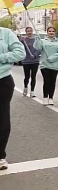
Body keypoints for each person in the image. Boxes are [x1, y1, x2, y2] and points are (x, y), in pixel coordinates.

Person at [0, 27, 25, 170]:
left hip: (2, 81)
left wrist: (2, 57)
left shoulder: (6, 33)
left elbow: (20, 53)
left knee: (2, 119)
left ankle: (0, 156)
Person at [34, 27, 58, 106]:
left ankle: (51, 98)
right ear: (47, 32)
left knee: (52, 81)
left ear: (55, 32)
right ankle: (45, 97)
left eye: (53, 31)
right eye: (49, 31)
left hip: (54, 65)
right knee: (47, 81)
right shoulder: (43, 41)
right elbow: (38, 48)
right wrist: (37, 39)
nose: (51, 32)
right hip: (45, 64)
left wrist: (53, 57)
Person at [21, 27, 40, 98]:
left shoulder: (36, 40)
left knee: (33, 76)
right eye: (28, 31)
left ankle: (32, 91)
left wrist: (35, 55)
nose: (29, 32)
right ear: (26, 32)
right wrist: (21, 41)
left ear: (32, 31)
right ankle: (25, 87)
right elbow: (20, 48)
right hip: (26, 61)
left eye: (30, 31)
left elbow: (39, 49)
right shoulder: (24, 40)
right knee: (27, 76)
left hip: (35, 61)